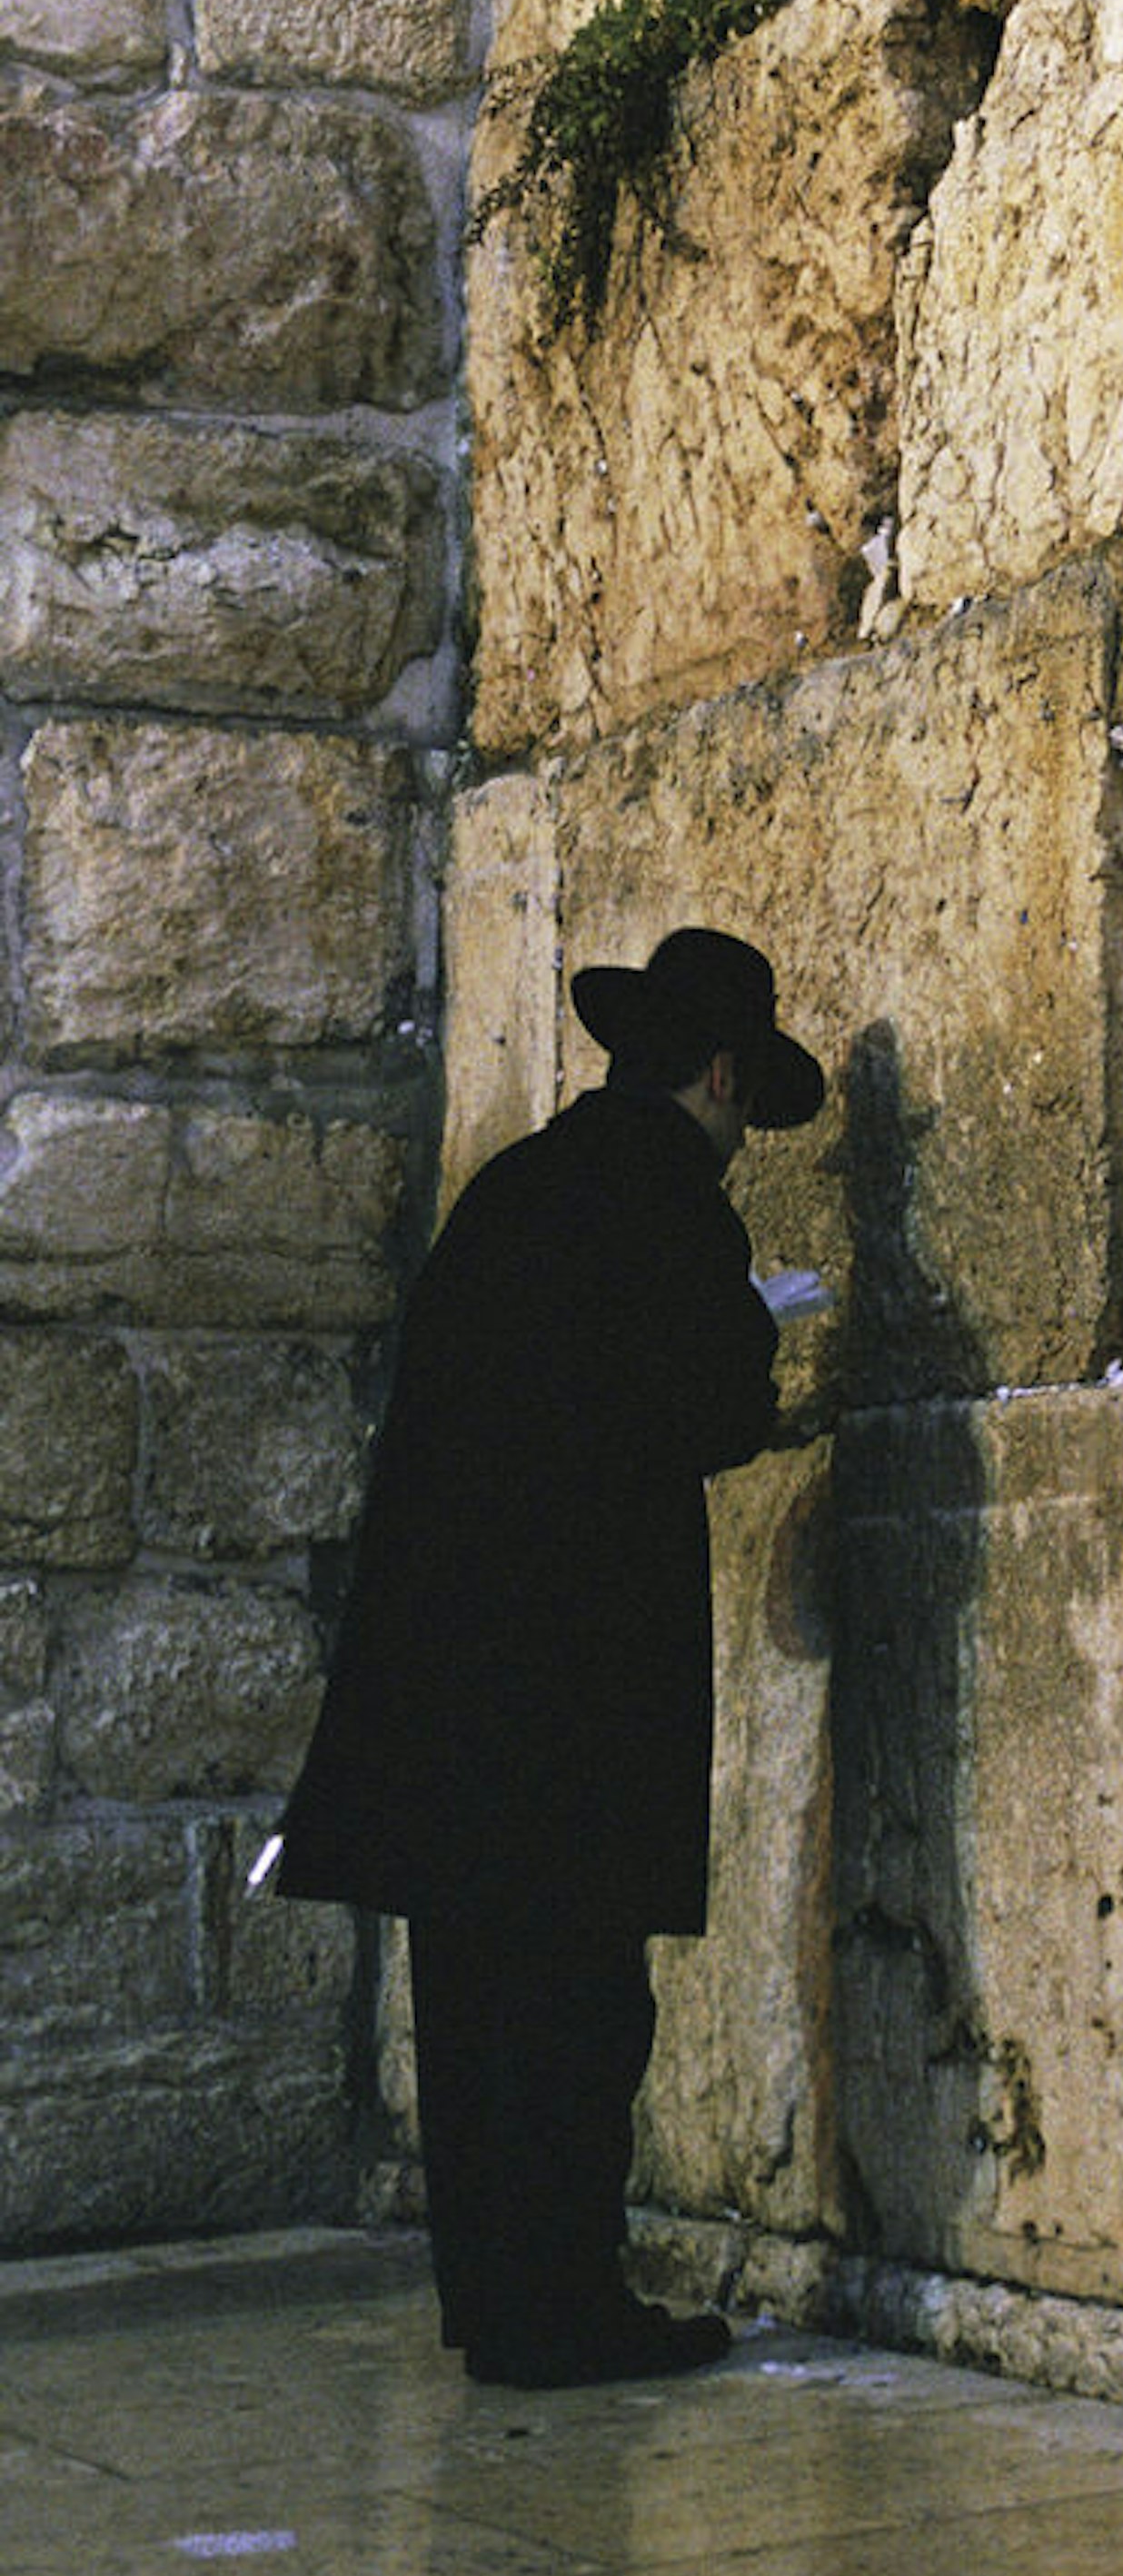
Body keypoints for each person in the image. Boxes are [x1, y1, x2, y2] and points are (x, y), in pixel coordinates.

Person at [275, 927, 827, 2388]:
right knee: (580, 2009)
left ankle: (496, 2306)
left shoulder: (510, 1187)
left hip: (445, 1697)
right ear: (720, 1074)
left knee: (475, 2010)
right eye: (740, 1102)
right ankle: (568, 2311)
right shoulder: (676, 1204)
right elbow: (710, 1410)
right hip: (574, 1702)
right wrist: (759, 1347)